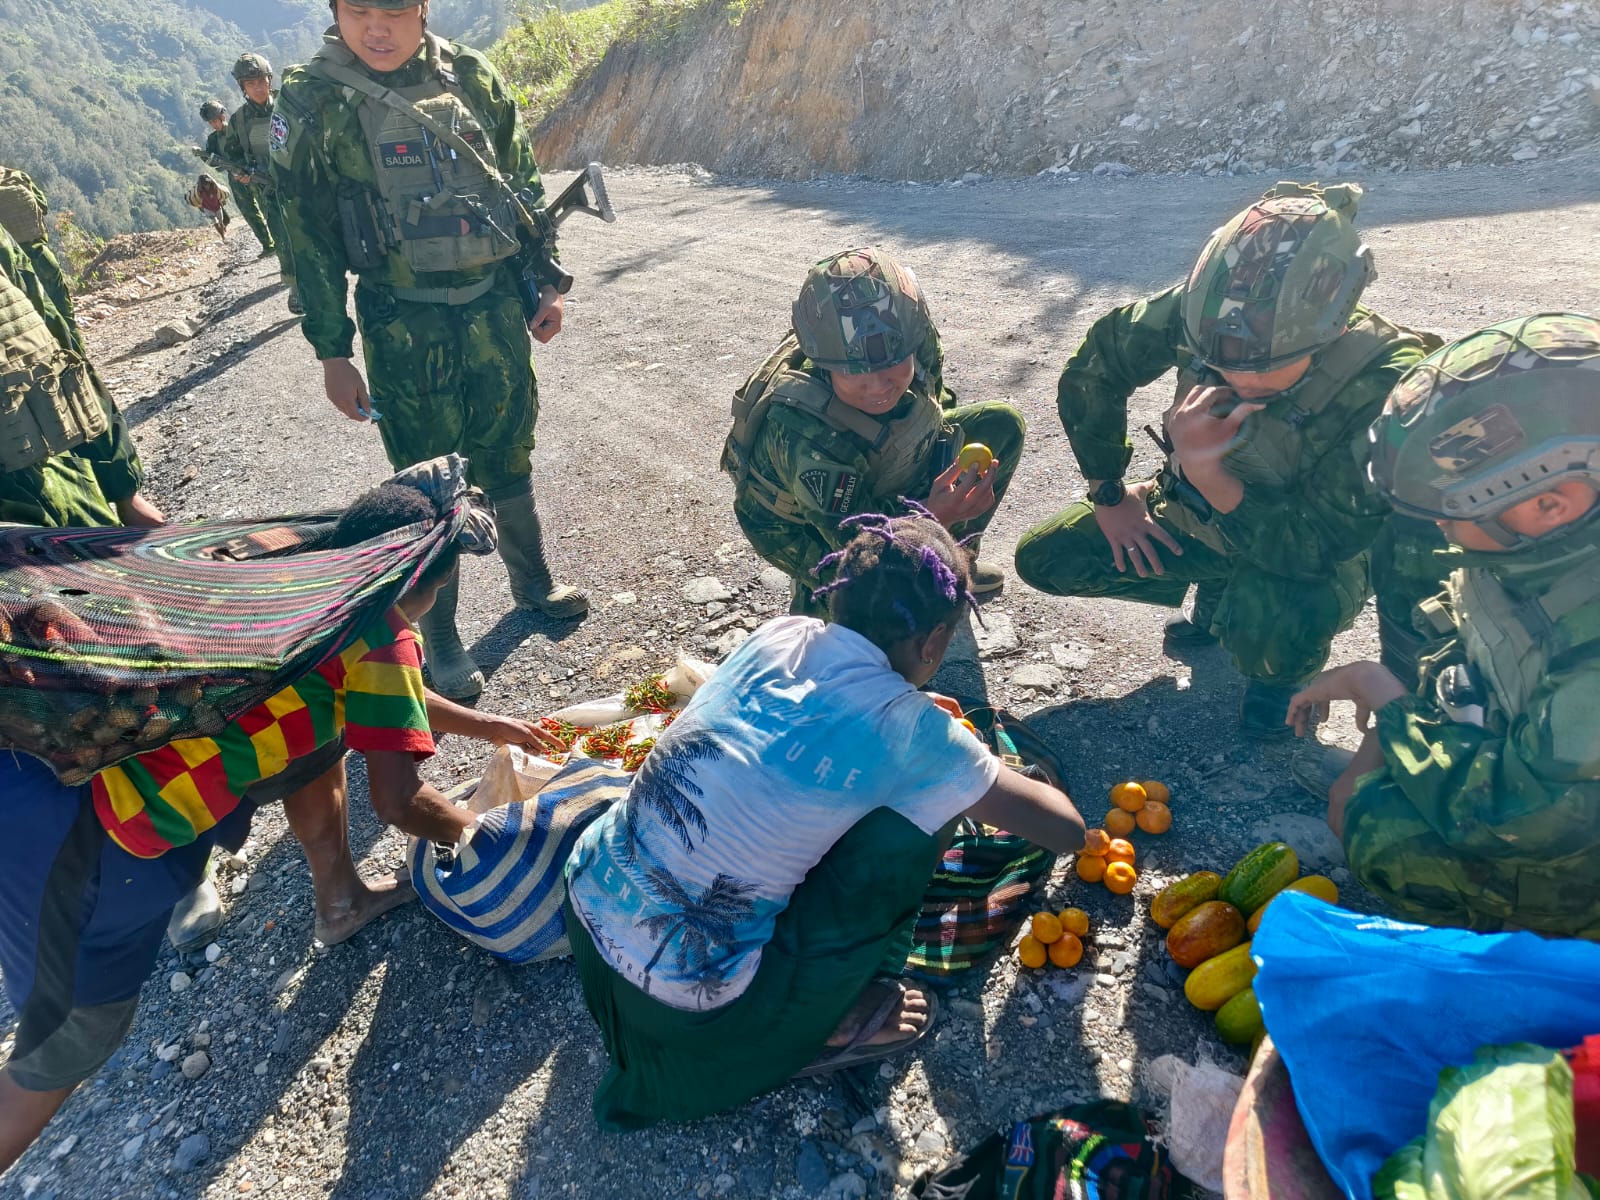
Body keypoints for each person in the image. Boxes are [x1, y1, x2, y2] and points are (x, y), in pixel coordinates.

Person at [0, 478, 565, 1172]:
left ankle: (341, 901)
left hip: (47, 778)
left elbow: (386, 699)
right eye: (440, 588)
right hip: (86, 832)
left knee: (317, 740)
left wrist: (484, 725)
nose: (434, 604)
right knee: (70, 1040)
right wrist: (492, 835)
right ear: (420, 583)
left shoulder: (308, 575)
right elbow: (396, 800)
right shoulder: (385, 630)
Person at [563, 510, 1086, 1129]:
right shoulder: (914, 731)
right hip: (690, 1000)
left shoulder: (780, 634)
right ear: (934, 644)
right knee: (912, 825)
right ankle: (828, 1017)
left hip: (586, 909)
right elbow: (1066, 830)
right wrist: (967, 759)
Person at [1013, 182, 1438, 737]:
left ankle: (1277, 679)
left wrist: (1208, 472)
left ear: (1331, 327)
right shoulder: (1211, 312)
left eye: (1264, 367)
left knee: (1276, 622)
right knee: (1046, 558)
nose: (1235, 376)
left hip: (1312, 550)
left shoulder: (1389, 382)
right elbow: (1098, 366)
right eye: (1214, 358)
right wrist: (1110, 493)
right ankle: (1223, 582)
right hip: (1202, 510)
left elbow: (1312, 546)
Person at [270, 0, 588, 701]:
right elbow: (306, 236)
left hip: (494, 303)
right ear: (333, 11)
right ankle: (438, 636)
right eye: (358, 11)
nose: (375, 29)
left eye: (393, 11)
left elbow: (522, 183)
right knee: (429, 476)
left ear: (422, 10)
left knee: (509, 443)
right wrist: (331, 349)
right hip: (400, 319)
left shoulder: (471, 75)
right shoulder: (313, 98)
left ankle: (531, 580)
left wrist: (545, 282)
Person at [1287, 312, 1600, 940]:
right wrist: (1393, 729)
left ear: (1550, 501)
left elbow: (1515, 811)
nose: (1441, 526)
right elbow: (1477, 648)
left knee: (1378, 831)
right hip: (1550, 770)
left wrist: (1388, 703)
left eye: (1456, 507)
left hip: (1550, 813)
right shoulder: (1545, 547)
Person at [723, 245, 1026, 613]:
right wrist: (934, 516)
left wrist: (946, 479)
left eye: (894, 363)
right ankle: (822, 615)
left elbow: (935, 404)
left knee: (1000, 424)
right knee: (863, 594)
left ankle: (945, 568)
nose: (879, 385)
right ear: (824, 363)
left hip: (880, 465)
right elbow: (860, 547)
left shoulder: (911, 337)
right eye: (854, 372)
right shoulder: (807, 437)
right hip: (808, 525)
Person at [0, 223, 164, 529]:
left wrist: (125, 492)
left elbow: (63, 358)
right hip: (37, 481)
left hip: (46, 476)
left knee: (108, 571)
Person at [222, 55, 300, 312]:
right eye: (250, 83)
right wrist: (240, 173)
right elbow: (231, 154)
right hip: (269, 191)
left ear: (269, 80)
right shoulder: (240, 121)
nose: (257, 87)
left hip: (302, 185)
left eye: (261, 81)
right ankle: (296, 288)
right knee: (283, 240)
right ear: (242, 88)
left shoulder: (289, 106)